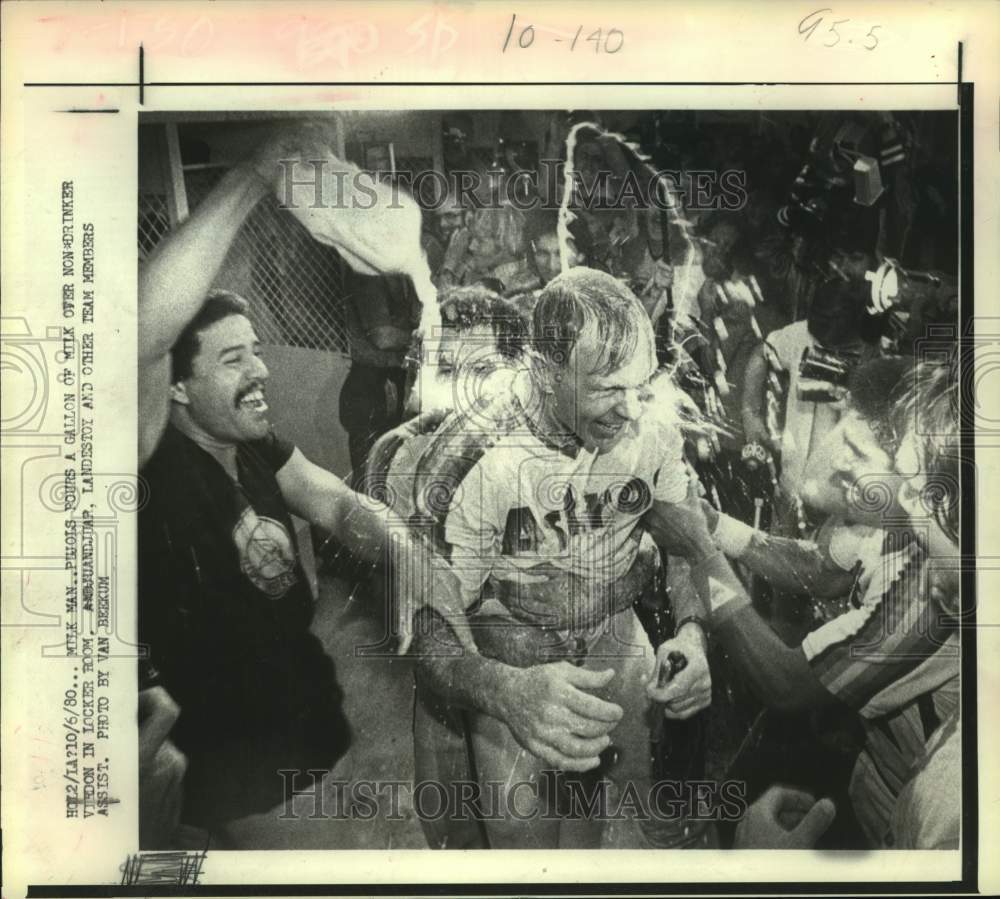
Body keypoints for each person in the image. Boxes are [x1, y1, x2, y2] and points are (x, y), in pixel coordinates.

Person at [137, 132, 468, 842]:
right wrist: (259, 169)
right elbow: (137, 331)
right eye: (233, 358)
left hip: (318, 731)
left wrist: (403, 551)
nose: (259, 370)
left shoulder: (253, 444)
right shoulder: (150, 467)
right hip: (239, 777)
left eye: (257, 350)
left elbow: (340, 503)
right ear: (178, 390)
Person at [408, 267, 713, 849]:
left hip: (609, 648)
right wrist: (504, 692)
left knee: (581, 836)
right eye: (606, 388)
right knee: (515, 850)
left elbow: (682, 542)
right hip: (512, 665)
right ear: (546, 373)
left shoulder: (649, 427)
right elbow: (425, 629)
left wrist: (692, 632)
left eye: (641, 385)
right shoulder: (471, 458)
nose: (631, 410)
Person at [648, 360, 961, 848]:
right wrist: (715, 526)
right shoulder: (897, 522)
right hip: (875, 766)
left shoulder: (931, 591)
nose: (839, 461)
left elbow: (789, 684)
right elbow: (819, 569)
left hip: (904, 802)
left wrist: (700, 554)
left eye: (859, 452)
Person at [741, 276, 882, 514]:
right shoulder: (803, 334)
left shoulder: (873, 357)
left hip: (836, 502)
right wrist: (750, 412)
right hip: (790, 481)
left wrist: (852, 398)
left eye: (836, 348)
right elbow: (761, 353)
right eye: (820, 344)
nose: (826, 352)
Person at [338, 271, 422, 476]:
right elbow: (383, 337)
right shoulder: (366, 273)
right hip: (372, 388)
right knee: (370, 477)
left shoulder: (403, 272)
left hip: (395, 382)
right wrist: (420, 337)